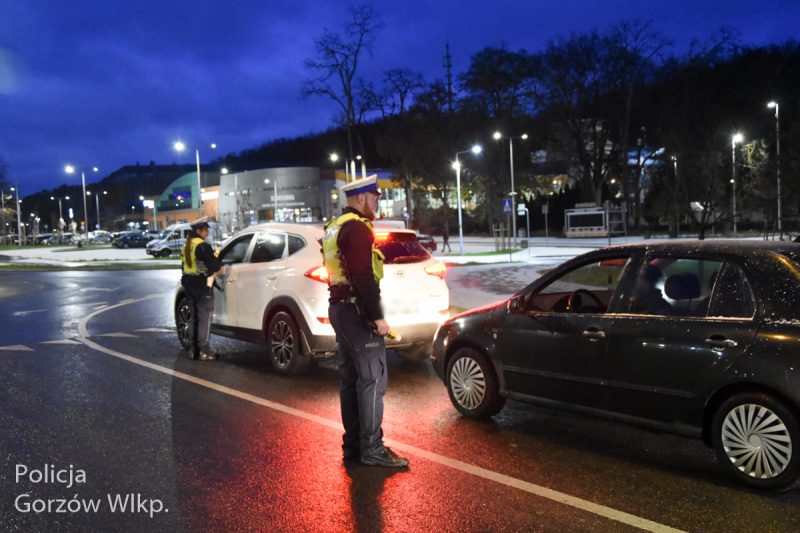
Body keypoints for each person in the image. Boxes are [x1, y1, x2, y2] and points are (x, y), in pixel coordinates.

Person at [323, 176, 409, 468]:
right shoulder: (358, 229)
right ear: (361, 198)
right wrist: (378, 317)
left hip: (339, 308)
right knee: (373, 379)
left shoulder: (334, 227)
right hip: (356, 312)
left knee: (351, 379)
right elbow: (362, 276)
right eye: (374, 198)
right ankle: (371, 448)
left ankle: (354, 446)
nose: (377, 203)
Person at [181, 216, 223, 361]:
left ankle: (194, 351)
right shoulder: (202, 246)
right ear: (198, 231)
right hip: (202, 286)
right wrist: (217, 258)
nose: (208, 233)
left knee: (194, 318)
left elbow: (184, 267)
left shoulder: (187, 245)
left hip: (189, 285)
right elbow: (215, 266)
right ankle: (204, 351)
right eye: (206, 230)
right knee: (204, 318)